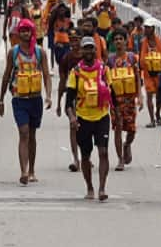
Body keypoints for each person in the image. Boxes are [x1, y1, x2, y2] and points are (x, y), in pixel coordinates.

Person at [0, 19, 52, 185]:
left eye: (28, 31)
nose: (25, 33)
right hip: (19, 99)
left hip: (35, 98)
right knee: (23, 132)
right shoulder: (13, 53)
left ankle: (32, 169)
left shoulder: (40, 52)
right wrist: (1, 100)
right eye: (22, 31)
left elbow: (46, 75)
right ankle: (23, 171)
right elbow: (6, 75)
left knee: (32, 135)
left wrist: (48, 95)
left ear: (32, 32)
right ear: (18, 33)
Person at [65, 36, 116, 201]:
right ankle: (89, 187)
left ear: (95, 50)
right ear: (81, 51)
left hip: (101, 116)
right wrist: (72, 118)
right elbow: (69, 101)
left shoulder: (104, 70)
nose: (88, 51)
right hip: (83, 118)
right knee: (85, 156)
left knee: (103, 152)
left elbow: (112, 93)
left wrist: (116, 113)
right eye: (85, 48)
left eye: (91, 48)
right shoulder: (76, 72)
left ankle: (102, 188)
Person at [107, 28, 142, 171]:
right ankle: (120, 159)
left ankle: (127, 144)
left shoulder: (133, 58)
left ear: (126, 41)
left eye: (121, 39)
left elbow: (138, 78)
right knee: (117, 128)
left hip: (129, 100)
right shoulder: (110, 60)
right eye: (116, 39)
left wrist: (140, 96)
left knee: (131, 129)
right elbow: (107, 79)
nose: (118, 41)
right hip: (115, 100)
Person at [57, 27, 82, 172]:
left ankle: (86, 156)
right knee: (73, 127)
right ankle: (75, 158)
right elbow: (62, 81)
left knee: (86, 129)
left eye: (76, 40)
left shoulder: (89, 56)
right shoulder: (66, 58)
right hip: (72, 97)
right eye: (71, 40)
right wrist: (60, 103)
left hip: (88, 97)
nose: (74, 43)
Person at [140, 18, 161, 127]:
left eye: (148, 28)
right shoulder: (143, 43)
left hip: (159, 74)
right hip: (148, 74)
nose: (145, 30)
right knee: (149, 96)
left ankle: (157, 116)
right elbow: (140, 59)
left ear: (153, 29)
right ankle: (152, 119)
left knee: (159, 97)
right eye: (145, 28)